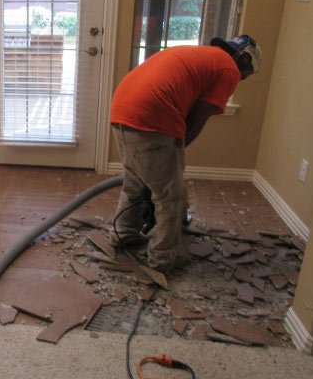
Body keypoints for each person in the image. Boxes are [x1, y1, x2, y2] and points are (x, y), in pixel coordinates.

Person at [110, 35, 262, 273]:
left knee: (135, 184)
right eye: (246, 74)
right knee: (169, 196)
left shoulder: (205, 56)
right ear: (244, 61)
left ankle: (124, 235)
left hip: (123, 109)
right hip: (152, 115)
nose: (241, 79)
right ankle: (162, 259)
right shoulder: (228, 69)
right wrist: (178, 145)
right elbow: (200, 114)